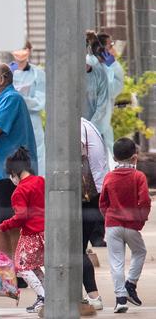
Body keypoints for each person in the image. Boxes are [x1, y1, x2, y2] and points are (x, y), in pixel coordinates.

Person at [0, 63, 38, 263]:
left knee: (11, 223)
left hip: (8, 173)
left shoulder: (11, 99)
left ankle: (19, 268)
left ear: (3, 78)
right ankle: (6, 269)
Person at [99, 138, 151, 313]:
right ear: (135, 158)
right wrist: (140, 221)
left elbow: (102, 203)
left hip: (112, 224)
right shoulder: (139, 177)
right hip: (132, 225)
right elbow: (144, 201)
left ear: (114, 157)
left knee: (116, 262)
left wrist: (109, 218)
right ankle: (131, 283)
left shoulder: (109, 177)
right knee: (140, 252)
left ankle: (120, 299)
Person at [0, 148, 45, 314]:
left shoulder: (19, 191)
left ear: (13, 172)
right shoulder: (40, 181)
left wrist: (4, 225)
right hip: (45, 232)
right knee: (34, 266)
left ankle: (43, 296)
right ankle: (46, 294)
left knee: (21, 266)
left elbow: (21, 217)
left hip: (31, 234)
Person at [81, 117, 109, 310]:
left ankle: (94, 296)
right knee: (77, 248)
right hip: (93, 195)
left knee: (75, 250)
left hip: (86, 197)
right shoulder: (86, 125)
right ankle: (91, 296)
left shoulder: (75, 129)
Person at [10, 41, 46, 176]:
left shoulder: (38, 74)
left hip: (32, 123)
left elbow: (39, 102)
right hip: (11, 122)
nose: (20, 52)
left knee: (36, 158)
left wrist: (18, 97)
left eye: (24, 48)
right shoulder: (4, 72)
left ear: (30, 50)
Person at [97, 32, 125, 167]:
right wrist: (113, 65)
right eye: (110, 45)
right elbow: (114, 88)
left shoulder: (104, 68)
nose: (112, 49)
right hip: (97, 123)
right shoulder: (98, 68)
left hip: (102, 123)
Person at [84, 32, 111, 142]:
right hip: (98, 111)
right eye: (110, 44)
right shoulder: (94, 60)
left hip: (99, 112)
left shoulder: (99, 66)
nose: (111, 48)